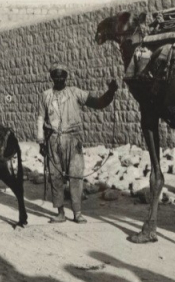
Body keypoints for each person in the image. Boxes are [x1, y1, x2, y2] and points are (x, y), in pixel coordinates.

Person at [37, 64, 118, 223]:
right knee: (55, 176)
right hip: (53, 141)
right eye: (56, 75)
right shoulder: (45, 96)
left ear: (66, 77)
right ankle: (60, 213)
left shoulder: (75, 93)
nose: (59, 79)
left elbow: (98, 103)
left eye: (62, 76)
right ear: (51, 77)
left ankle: (77, 213)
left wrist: (111, 92)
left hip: (73, 140)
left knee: (75, 175)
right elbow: (40, 118)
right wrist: (41, 142)